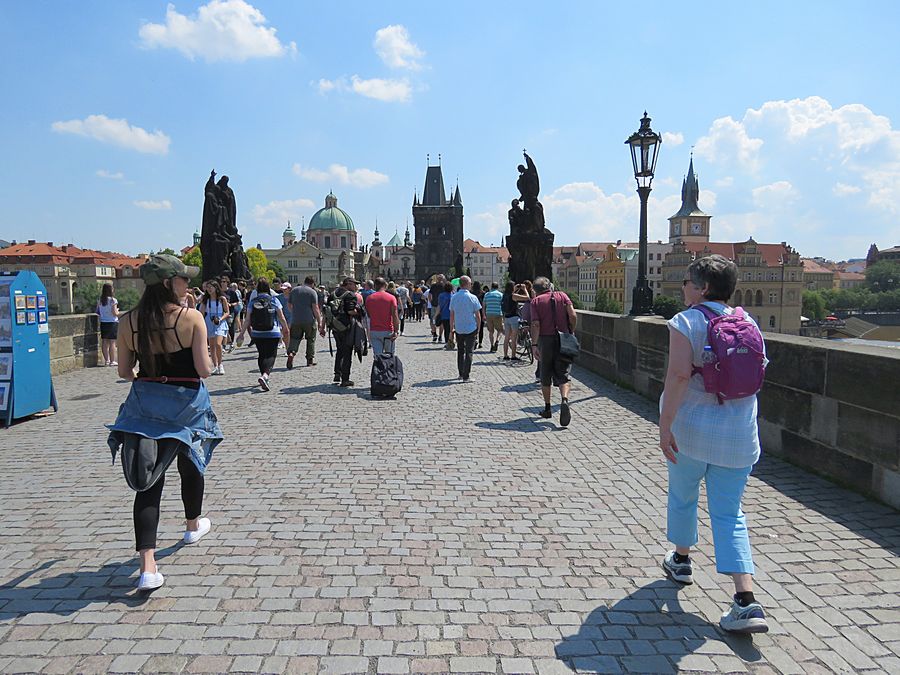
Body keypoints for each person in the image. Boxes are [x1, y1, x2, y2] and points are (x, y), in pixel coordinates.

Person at [658, 254, 769, 634]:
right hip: (738, 435)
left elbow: (677, 377)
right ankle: (745, 600)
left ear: (702, 288)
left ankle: (682, 561)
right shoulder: (748, 321)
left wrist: (665, 424)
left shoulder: (686, 321)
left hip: (692, 430)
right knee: (729, 513)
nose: (683, 287)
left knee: (684, 495)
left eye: (688, 282)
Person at [109, 254, 220, 591]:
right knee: (191, 464)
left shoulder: (128, 320)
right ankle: (191, 525)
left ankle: (147, 566)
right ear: (171, 283)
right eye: (184, 279)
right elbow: (203, 370)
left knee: (149, 482)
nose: (188, 284)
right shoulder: (192, 318)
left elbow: (125, 372)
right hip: (185, 405)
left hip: (145, 406)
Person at [528, 277, 577, 427]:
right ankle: (564, 400)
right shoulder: (562, 296)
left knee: (545, 374)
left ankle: (547, 408)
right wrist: (571, 331)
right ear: (549, 286)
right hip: (563, 339)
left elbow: (536, 324)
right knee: (563, 374)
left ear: (535, 290)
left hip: (545, 340)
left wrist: (534, 345)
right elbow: (573, 315)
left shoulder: (535, 302)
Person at [237, 278, 290, 391]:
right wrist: (285, 328)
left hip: (257, 333)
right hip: (273, 332)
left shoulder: (253, 301)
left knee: (262, 355)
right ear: (268, 288)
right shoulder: (274, 300)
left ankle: (264, 377)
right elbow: (281, 317)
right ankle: (265, 375)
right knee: (271, 355)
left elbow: (247, 320)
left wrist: (241, 334)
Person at [330, 277, 363, 386]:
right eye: (354, 284)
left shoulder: (333, 294)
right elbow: (350, 311)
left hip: (334, 326)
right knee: (347, 351)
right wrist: (359, 311)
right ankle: (345, 379)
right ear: (348, 284)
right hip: (346, 327)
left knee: (340, 350)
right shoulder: (350, 295)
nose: (356, 287)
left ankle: (337, 373)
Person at [288, 276, 325, 369]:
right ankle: (309, 360)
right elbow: (315, 308)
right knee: (310, 339)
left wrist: (294, 312)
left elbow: (289, 305)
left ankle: (292, 353)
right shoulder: (312, 292)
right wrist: (319, 322)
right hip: (309, 320)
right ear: (312, 283)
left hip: (296, 319)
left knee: (295, 338)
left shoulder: (294, 290)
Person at [449, 276, 482, 382]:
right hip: (470, 327)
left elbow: (452, 314)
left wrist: (451, 329)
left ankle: (460, 373)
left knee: (460, 351)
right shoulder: (473, 297)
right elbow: (478, 315)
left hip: (459, 327)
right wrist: (479, 327)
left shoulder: (454, 297)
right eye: (470, 283)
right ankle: (466, 376)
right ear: (467, 284)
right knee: (469, 352)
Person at [198, 280, 230, 375]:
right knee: (211, 345)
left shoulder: (222, 299)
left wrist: (221, 319)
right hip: (209, 321)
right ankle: (215, 366)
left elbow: (227, 312)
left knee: (218, 344)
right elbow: (201, 313)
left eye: (211, 287)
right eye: (207, 287)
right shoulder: (205, 300)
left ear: (216, 288)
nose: (209, 289)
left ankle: (220, 365)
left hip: (220, 321)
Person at [366, 277, 400, 355]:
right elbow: (395, 316)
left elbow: (368, 314)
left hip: (374, 330)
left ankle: (378, 367)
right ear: (385, 285)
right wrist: (396, 331)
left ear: (374, 286)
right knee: (389, 356)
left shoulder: (369, 298)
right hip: (387, 331)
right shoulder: (391, 298)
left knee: (377, 357)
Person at [97, 282, 120, 366]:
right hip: (112, 322)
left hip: (103, 322)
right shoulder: (113, 300)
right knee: (112, 343)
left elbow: (98, 312)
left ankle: (106, 360)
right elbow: (114, 313)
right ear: (111, 290)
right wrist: (118, 311)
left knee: (104, 341)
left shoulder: (100, 300)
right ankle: (112, 361)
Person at [483, 282, 504, 352]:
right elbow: (503, 305)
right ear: (497, 287)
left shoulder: (487, 294)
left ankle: (491, 345)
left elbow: (484, 306)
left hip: (489, 314)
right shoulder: (500, 294)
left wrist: (484, 314)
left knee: (491, 331)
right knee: (500, 330)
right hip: (498, 313)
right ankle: (497, 341)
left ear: (491, 287)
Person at [501, 281, 520, 360]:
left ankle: (505, 355)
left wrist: (515, 290)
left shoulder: (504, 295)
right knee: (514, 338)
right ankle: (513, 356)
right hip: (514, 318)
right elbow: (527, 297)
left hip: (507, 317)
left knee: (506, 338)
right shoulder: (513, 296)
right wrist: (525, 289)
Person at [225, 282, 242, 352]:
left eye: (224, 282)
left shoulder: (231, 292)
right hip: (221, 311)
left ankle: (231, 342)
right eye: (221, 282)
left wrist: (231, 304)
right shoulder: (219, 292)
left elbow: (237, 302)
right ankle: (225, 343)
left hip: (231, 310)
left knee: (230, 325)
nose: (223, 283)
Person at [438, 282, 454, 349]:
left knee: (446, 329)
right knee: (452, 329)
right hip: (453, 315)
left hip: (444, 314)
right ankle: (451, 341)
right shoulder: (453, 295)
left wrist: (436, 315)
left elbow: (440, 306)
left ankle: (447, 342)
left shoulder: (441, 295)